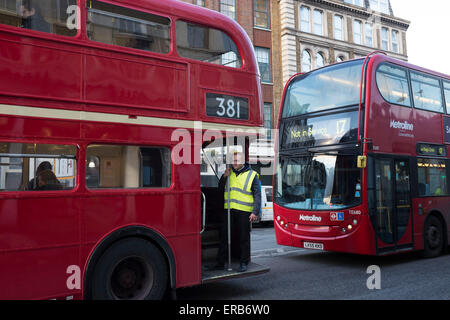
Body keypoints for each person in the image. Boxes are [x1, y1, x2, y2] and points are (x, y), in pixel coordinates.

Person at [214, 151, 261, 272]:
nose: (234, 163)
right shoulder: (229, 173)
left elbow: (257, 195)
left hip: (244, 211)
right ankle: (220, 263)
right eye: (233, 160)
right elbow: (220, 189)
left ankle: (243, 262)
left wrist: (255, 212)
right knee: (224, 236)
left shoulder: (252, 175)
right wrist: (224, 177)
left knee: (243, 238)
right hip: (229, 210)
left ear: (243, 161)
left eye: (237, 160)